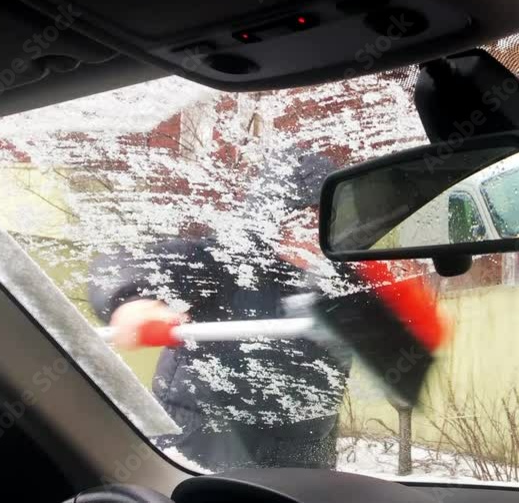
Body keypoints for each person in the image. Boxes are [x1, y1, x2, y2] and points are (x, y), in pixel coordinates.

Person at [89, 153, 351, 472]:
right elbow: (128, 266)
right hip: (204, 441)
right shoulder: (227, 262)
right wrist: (130, 298)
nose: (317, 228)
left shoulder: (338, 284)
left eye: (328, 216)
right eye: (306, 216)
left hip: (305, 449)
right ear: (273, 217)